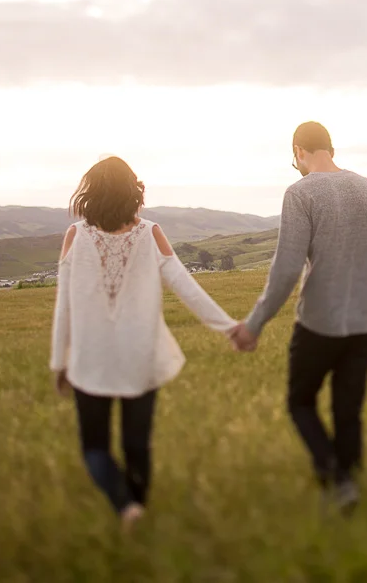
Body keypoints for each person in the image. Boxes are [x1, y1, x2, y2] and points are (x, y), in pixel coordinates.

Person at [50, 156, 237, 531]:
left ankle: (126, 508)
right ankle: (137, 508)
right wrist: (230, 327)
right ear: (133, 192)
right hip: (142, 357)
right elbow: (187, 288)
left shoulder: (75, 236)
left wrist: (59, 361)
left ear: (91, 194)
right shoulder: (150, 233)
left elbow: (63, 306)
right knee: (138, 446)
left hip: (91, 360)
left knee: (95, 448)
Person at [230, 121, 367, 514]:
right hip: (363, 325)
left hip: (317, 326)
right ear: (331, 149)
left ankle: (337, 480)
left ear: (298, 152)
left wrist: (253, 325)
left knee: (300, 402)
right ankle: (351, 487)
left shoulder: (300, 193)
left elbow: (288, 268)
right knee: (348, 410)